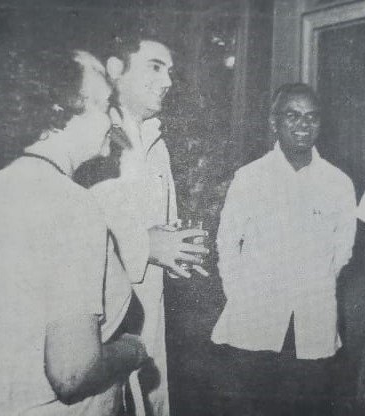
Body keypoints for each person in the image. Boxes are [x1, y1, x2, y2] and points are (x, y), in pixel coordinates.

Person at [0, 49, 147, 415]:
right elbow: (72, 372)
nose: (114, 120)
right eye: (104, 106)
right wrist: (133, 350)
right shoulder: (71, 205)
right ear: (57, 118)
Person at [212, 83, 357, 415]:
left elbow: (343, 250)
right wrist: (240, 296)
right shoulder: (250, 177)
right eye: (292, 115)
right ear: (273, 122)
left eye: (311, 117)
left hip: (313, 320)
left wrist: (311, 284)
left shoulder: (339, 183)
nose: (303, 125)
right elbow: (227, 243)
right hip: (255, 321)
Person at [85, 32, 209, 416]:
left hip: (148, 314)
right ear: (115, 69)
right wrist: (146, 247)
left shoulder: (158, 143)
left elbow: (163, 230)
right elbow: (67, 234)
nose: (169, 81)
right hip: (98, 322)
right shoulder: (91, 137)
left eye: (170, 71)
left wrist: (178, 253)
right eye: (155, 67)